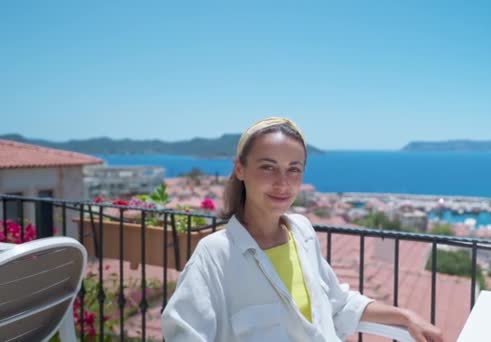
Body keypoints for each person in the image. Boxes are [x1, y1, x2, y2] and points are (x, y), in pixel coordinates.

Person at [161, 117, 443, 342]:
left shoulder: (303, 233)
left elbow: (338, 303)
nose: (283, 183)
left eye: (294, 169)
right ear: (240, 169)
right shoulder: (216, 254)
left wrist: (406, 317)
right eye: (268, 168)